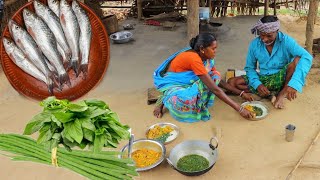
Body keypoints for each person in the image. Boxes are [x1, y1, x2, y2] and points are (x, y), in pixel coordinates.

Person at [153, 33, 254, 123]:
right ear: (202, 49)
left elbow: (218, 81)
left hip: (189, 80)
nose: (216, 51)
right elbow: (215, 89)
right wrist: (239, 109)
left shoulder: (205, 58)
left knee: (215, 75)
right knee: (187, 99)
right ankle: (163, 99)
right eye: (213, 48)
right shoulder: (194, 58)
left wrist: (241, 93)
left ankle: (198, 100)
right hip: (175, 84)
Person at [228, 16, 313, 109]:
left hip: (281, 78)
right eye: (262, 35)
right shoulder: (254, 44)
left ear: (277, 31)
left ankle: (281, 94)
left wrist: (294, 84)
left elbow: (307, 57)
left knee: (297, 59)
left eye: (269, 36)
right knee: (232, 82)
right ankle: (269, 94)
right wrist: (258, 84)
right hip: (264, 79)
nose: (264, 39)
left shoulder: (286, 41)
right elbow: (249, 68)